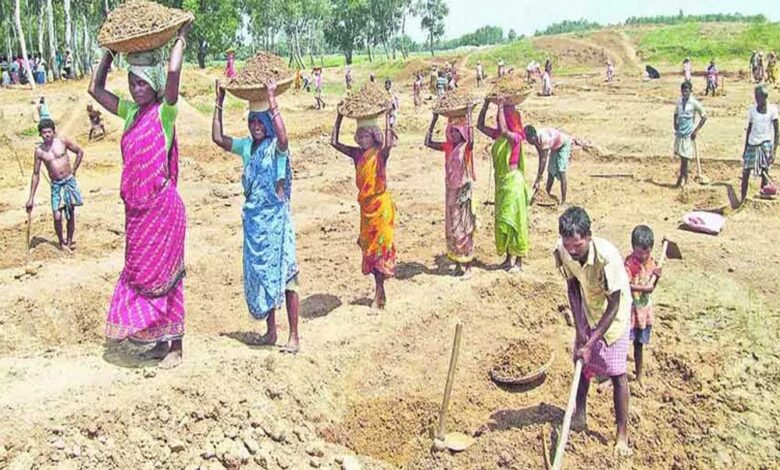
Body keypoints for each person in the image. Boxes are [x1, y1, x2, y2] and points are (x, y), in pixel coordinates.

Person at [88, 21, 192, 368]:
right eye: (132, 82)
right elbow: (94, 89)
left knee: (168, 276)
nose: (136, 89)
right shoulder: (131, 113)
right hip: (137, 214)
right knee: (141, 273)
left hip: (163, 211)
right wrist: (109, 51)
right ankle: (159, 342)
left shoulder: (165, 113)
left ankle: (176, 346)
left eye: (143, 83)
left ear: (155, 84)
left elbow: (174, 75)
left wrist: (180, 40)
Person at [212, 79, 300, 353]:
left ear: (269, 123)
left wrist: (272, 100)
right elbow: (218, 138)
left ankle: (294, 336)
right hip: (254, 224)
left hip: (276, 223)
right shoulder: (247, 147)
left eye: (261, 122)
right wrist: (219, 102)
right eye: (252, 122)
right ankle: (271, 331)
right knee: (262, 276)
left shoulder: (276, 148)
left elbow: (284, 139)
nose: (256, 127)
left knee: (287, 276)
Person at [553, 206, 633, 457]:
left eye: (577, 245)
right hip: (588, 307)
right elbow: (572, 287)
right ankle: (580, 415)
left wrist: (591, 342)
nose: (572, 251)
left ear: (589, 236)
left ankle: (622, 434)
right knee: (583, 364)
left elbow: (614, 305)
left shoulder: (608, 259)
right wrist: (580, 331)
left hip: (614, 315)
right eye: (568, 245)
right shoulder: (563, 250)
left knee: (617, 372)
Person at [331, 105, 397, 310]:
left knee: (380, 249)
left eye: (366, 135)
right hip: (366, 209)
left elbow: (389, 143)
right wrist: (339, 117)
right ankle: (380, 292)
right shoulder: (357, 155)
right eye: (359, 135)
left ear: (374, 136)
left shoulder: (380, 154)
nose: (361, 139)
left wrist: (388, 116)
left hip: (381, 208)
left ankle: (378, 294)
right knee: (369, 250)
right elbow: (334, 142)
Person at [477, 98, 530, 272]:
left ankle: (519, 261)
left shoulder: (515, 137)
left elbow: (506, 131)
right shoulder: (498, 136)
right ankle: (509, 258)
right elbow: (479, 125)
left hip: (513, 184)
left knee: (515, 220)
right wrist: (486, 105)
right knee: (504, 221)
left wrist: (500, 107)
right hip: (502, 184)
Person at [424, 105, 477, 277]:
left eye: (457, 131)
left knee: (464, 227)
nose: (453, 134)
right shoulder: (448, 147)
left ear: (463, 133)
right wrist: (434, 120)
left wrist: (468, 115)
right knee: (453, 228)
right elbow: (427, 142)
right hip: (451, 192)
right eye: (451, 131)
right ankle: (459, 264)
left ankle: (468, 265)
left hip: (463, 193)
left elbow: (472, 139)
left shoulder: (466, 147)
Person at [25, 118, 85, 251]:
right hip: (56, 185)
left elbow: (80, 152)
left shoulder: (62, 141)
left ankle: (69, 241)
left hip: (68, 182)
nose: (47, 135)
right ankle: (61, 242)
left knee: (70, 213)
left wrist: (74, 170)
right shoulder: (39, 151)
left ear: (53, 132)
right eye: (44, 133)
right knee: (57, 215)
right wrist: (31, 198)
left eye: (49, 132)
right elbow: (36, 174)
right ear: (40, 134)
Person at [624, 225, 661, 388]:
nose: (643, 256)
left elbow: (652, 287)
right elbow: (625, 285)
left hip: (643, 313)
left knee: (639, 345)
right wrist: (644, 288)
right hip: (630, 311)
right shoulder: (630, 263)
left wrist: (656, 278)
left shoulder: (652, 264)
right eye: (639, 253)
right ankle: (616, 374)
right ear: (633, 248)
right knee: (623, 343)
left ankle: (639, 376)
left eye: (647, 252)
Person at [741, 85, 778, 203]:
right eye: (756, 97)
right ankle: (742, 200)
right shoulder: (752, 110)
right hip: (752, 143)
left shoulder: (772, 110)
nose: (756, 99)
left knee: (764, 173)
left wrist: (774, 152)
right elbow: (749, 130)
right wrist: (745, 149)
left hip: (765, 144)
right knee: (746, 172)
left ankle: (762, 198)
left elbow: (777, 132)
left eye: (758, 97)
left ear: (764, 97)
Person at [525, 125, 572, 205]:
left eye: (528, 139)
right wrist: (539, 177)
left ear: (533, 136)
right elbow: (540, 156)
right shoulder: (535, 140)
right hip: (554, 146)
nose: (528, 142)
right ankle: (547, 195)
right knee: (550, 172)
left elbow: (543, 159)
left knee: (561, 171)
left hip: (563, 145)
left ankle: (563, 201)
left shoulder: (544, 140)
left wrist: (538, 179)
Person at [673, 81, 707, 188]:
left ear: (690, 91)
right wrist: (675, 124)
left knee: (685, 158)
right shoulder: (679, 101)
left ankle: (682, 178)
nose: (685, 93)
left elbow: (704, 116)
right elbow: (675, 114)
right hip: (680, 134)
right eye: (683, 91)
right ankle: (685, 177)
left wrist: (696, 130)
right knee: (681, 156)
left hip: (688, 135)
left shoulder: (693, 103)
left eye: (686, 91)